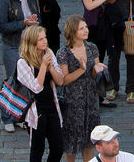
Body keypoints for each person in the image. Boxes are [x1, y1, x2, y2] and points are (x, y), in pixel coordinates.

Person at [0, 0, 41, 132]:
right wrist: (23, 23)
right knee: (12, 80)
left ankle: (20, 115)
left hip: (29, 45)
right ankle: (7, 117)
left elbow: (37, 16)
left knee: (26, 81)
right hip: (13, 45)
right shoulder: (7, 0)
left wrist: (35, 20)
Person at [57, 15, 104, 162]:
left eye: (86, 27)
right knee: (71, 139)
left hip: (91, 98)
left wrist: (98, 70)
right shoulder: (63, 53)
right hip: (72, 101)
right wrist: (81, 70)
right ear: (73, 31)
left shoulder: (92, 48)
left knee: (90, 137)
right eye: (81, 28)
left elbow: (94, 74)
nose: (86, 31)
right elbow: (64, 80)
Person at [16, 25, 65, 162]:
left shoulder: (48, 53)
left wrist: (51, 68)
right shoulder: (23, 62)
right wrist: (43, 66)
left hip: (52, 106)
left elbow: (60, 81)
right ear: (31, 42)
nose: (44, 42)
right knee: (38, 149)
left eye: (45, 38)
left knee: (58, 147)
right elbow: (35, 88)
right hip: (36, 111)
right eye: (40, 39)